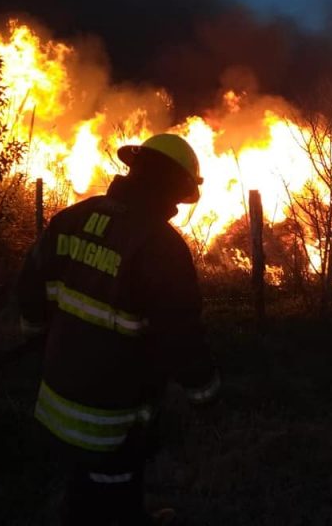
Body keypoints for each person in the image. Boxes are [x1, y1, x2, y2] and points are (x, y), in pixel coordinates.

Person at [17, 133, 220, 525]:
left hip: (55, 399)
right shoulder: (161, 247)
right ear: (173, 188)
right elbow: (179, 334)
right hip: (109, 416)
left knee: (84, 483)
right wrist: (205, 391)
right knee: (114, 488)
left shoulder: (74, 218)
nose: (177, 206)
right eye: (179, 196)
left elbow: (30, 287)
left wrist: (39, 341)